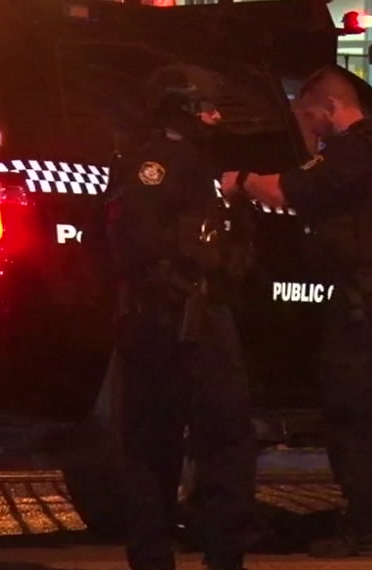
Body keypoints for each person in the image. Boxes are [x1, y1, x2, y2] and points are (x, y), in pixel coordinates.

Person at [221, 65, 372, 558]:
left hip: (358, 300)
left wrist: (240, 180)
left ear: (332, 107)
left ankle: (367, 525)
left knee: (350, 414)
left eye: (311, 117)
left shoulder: (351, 154)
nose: (309, 129)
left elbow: (286, 191)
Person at [106, 64, 258, 570]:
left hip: (188, 314)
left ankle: (206, 552)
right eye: (206, 107)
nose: (216, 116)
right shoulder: (159, 165)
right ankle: (191, 555)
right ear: (183, 109)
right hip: (176, 320)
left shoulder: (183, 161)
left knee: (191, 441)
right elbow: (148, 245)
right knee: (190, 441)